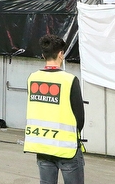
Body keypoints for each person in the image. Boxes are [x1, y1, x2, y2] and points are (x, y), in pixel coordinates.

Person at [24, 34, 84, 184]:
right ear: (61, 54)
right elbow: (80, 118)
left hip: (43, 146)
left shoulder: (33, 78)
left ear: (43, 55)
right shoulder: (69, 80)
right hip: (67, 148)